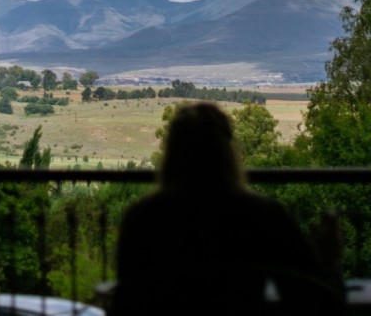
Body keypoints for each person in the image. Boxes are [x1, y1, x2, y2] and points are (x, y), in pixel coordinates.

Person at [110, 102, 346, 316]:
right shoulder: (264, 216)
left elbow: (126, 301)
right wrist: (329, 261)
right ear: (228, 152)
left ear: (171, 154)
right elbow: (320, 299)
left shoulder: (143, 220)